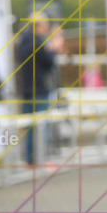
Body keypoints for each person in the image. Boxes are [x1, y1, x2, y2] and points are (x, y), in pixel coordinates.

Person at [15, 9, 64, 167]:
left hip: (26, 91)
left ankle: (31, 160)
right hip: (40, 91)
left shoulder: (22, 43)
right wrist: (54, 47)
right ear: (39, 26)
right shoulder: (38, 43)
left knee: (29, 128)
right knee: (43, 127)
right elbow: (49, 62)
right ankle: (42, 159)